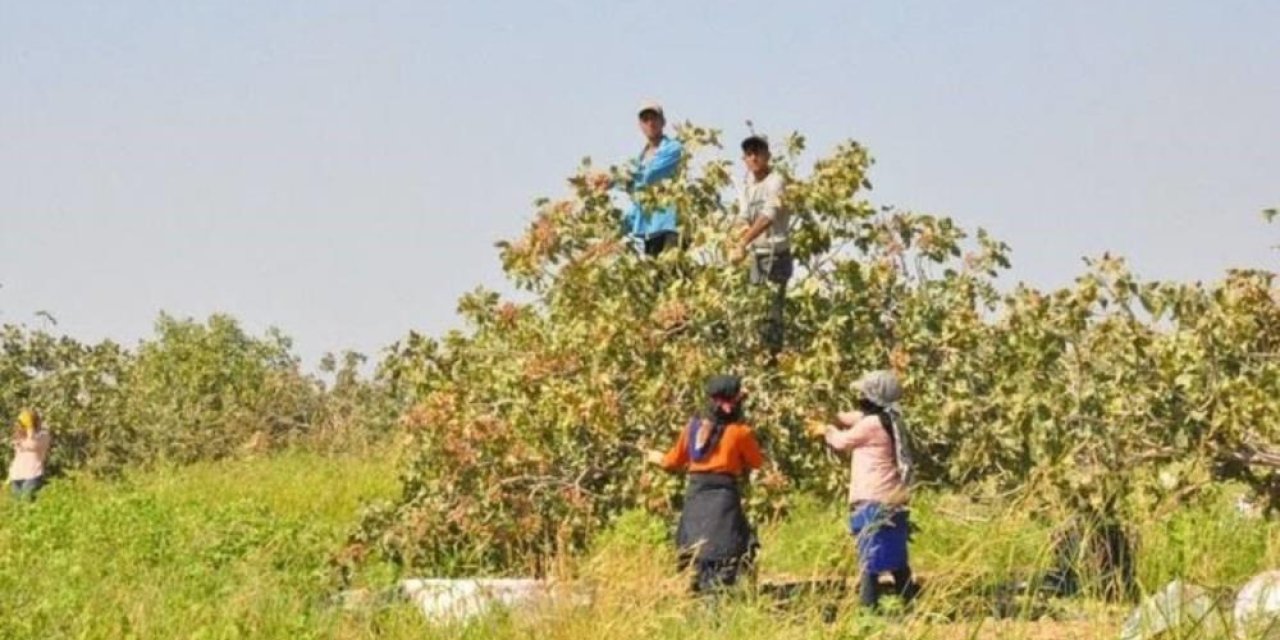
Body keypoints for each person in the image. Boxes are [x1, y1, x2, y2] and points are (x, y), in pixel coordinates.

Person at [806, 370, 917, 610]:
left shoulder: (871, 425)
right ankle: (909, 602)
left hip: (872, 498)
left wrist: (825, 429)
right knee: (895, 555)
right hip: (892, 497)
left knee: (870, 555)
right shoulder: (891, 417)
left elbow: (841, 442)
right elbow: (853, 417)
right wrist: (831, 415)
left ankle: (868, 609)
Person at [646, 375, 765, 592]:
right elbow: (757, 462)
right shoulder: (740, 433)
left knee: (698, 554)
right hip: (724, 500)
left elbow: (672, 461)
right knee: (727, 550)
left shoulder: (691, 428)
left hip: (696, 497)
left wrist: (655, 457)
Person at [593, 100, 684, 257]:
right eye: (645, 119)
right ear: (640, 125)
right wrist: (616, 232)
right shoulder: (640, 158)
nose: (650, 123)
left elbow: (649, 175)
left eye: (654, 118)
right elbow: (639, 201)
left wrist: (614, 180)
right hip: (652, 232)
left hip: (671, 228)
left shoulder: (673, 148)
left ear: (663, 122)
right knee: (653, 277)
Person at [730, 134, 792, 355]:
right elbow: (744, 215)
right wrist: (735, 236)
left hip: (776, 255)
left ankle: (771, 359)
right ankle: (759, 356)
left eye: (758, 152)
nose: (754, 157)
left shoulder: (776, 181)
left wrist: (744, 241)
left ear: (767, 155)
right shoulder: (748, 186)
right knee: (755, 310)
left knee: (772, 315)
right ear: (744, 159)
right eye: (749, 154)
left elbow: (769, 215)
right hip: (758, 256)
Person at [8, 408, 51, 501]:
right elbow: (17, 455)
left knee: (26, 502)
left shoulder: (43, 435)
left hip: (32, 474)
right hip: (17, 475)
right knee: (17, 507)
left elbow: (33, 445)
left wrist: (30, 428)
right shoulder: (19, 436)